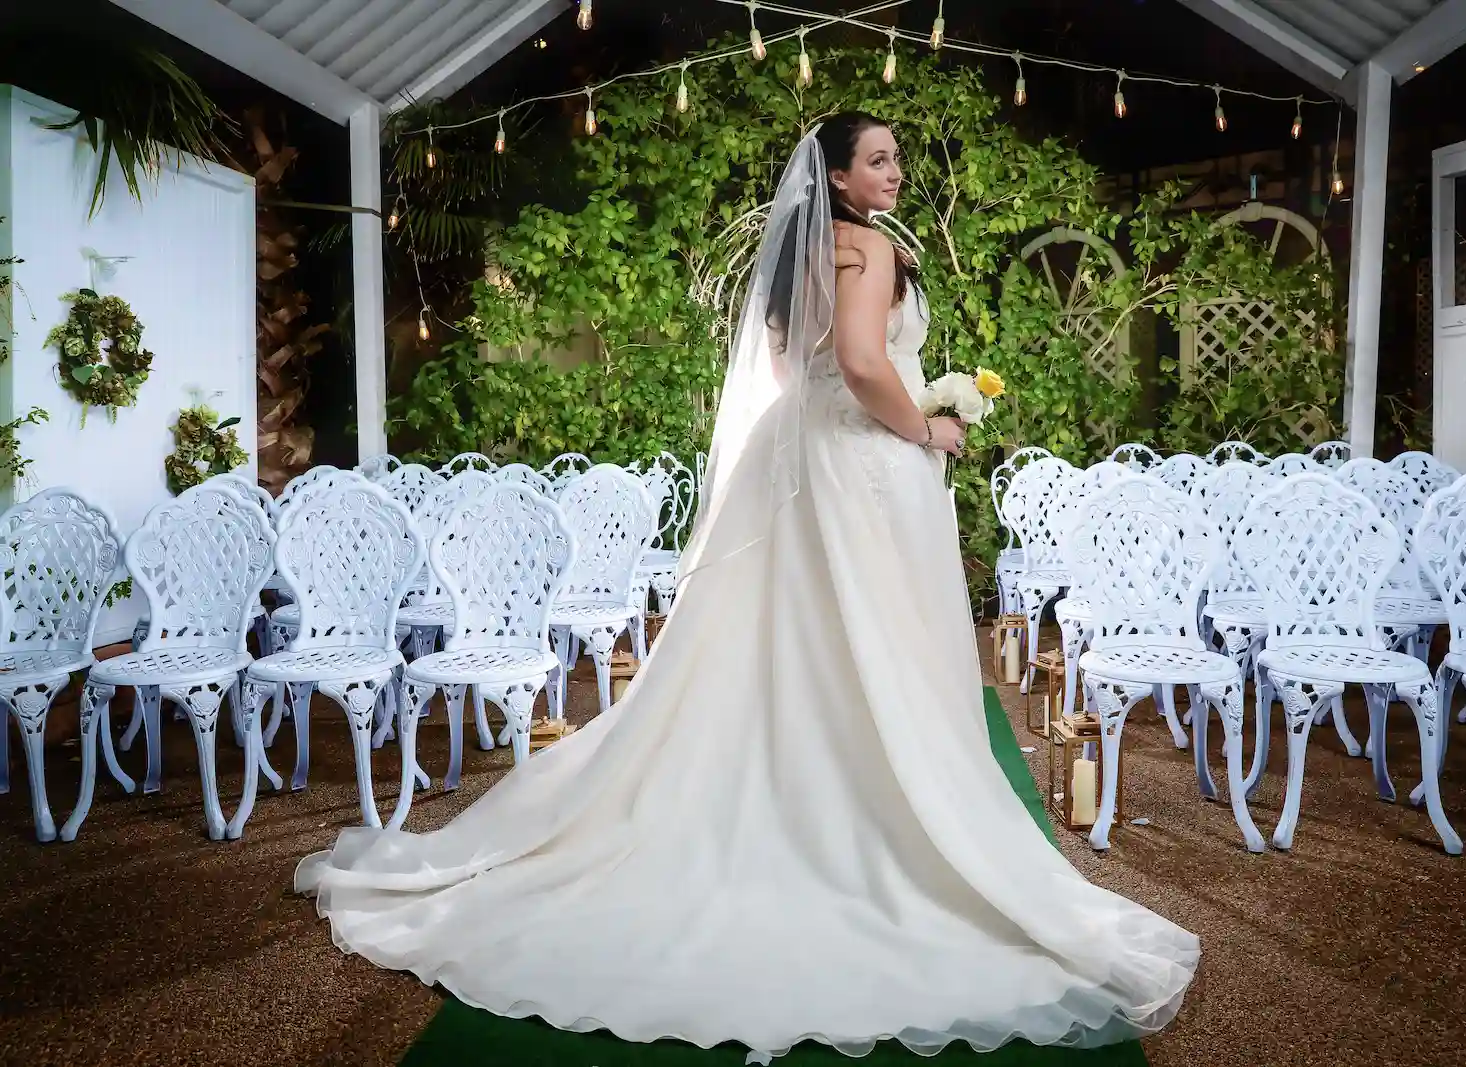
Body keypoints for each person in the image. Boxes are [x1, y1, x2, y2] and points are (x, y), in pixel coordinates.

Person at [295, 111, 1199, 1064]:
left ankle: (790, 792)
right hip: (862, 469)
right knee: (872, 647)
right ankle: (871, 815)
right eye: (878, 161)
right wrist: (927, 426)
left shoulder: (801, 259)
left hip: (794, 460)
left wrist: (890, 401)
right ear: (839, 179)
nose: (894, 173)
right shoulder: (870, 251)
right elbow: (858, 364)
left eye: (895, 159)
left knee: (790, 645)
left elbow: (792, 369)